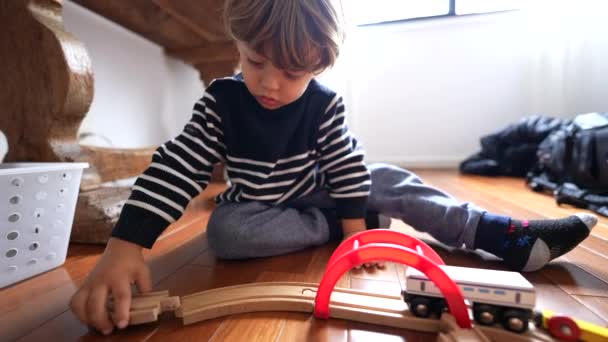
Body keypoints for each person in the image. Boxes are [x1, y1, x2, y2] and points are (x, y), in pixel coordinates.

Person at [70, 0, 597, 335]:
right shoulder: (220, 102)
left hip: (324, 191)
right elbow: (179, 165)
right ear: (238, 43)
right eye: (256, 62)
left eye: (293, 72)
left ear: (319, 66)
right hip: (261, 208)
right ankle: (351, 223)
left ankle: (498, 233)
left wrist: (353, 233)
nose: (271, 84)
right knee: (224, 231)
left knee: (384, 177)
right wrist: (125, 246)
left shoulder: (323, 103)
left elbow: (346, 164)